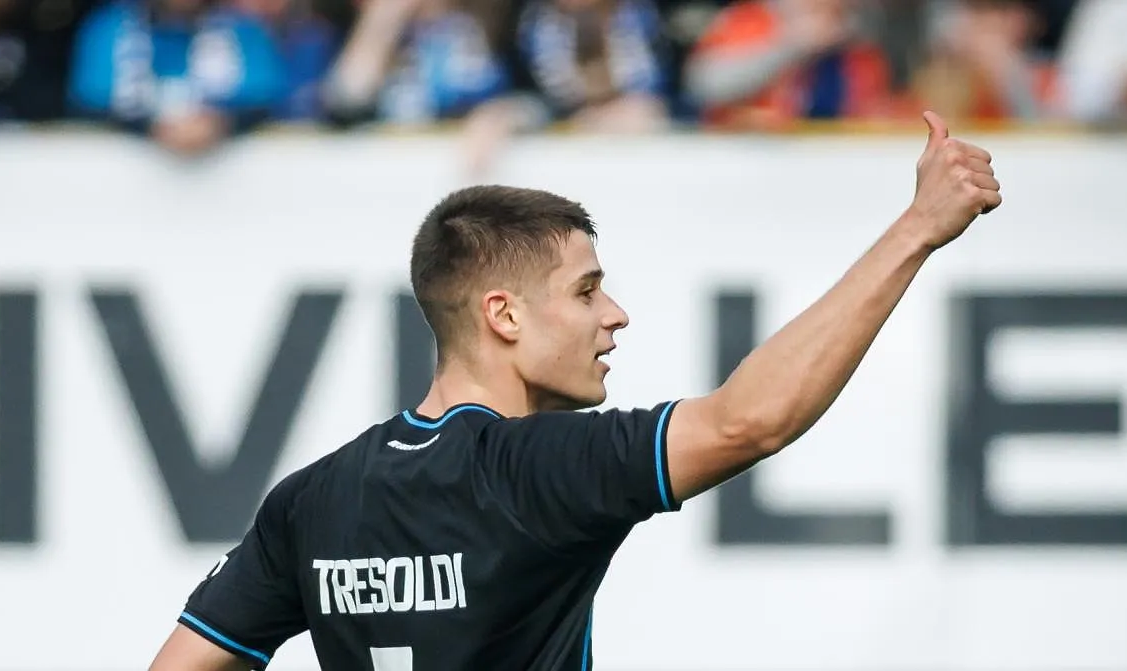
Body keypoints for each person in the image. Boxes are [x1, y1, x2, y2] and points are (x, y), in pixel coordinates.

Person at [146, 110, 1002, 671]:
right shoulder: (534, 473)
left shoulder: (310, 499)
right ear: (504, 315)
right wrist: (918, 229)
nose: (616, 315)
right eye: (588, 290)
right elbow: (752, 420)